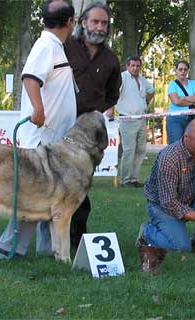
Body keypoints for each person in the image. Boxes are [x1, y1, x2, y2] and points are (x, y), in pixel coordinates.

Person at [0, 0, 76, 260]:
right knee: (34, 198)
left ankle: (46, 250)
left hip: (52, 140)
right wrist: (37, 110)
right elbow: (30, 77)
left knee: (48, 196)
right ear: (70, 22)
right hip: (41, 139)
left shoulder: (54, 46)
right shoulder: (46, 46)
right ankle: (7, 249)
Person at [64, 1, 121, 247]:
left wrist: (94, 112)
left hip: (89, 132)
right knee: (55, 182)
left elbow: (113, 94)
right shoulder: (64, 47)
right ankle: (54, 238)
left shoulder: (110, 59)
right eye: (95, 21)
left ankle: (76, 240)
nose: (99, 27)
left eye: (104, 23)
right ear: (82, 22)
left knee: (81, 185)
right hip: (61, 125)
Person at [137, 118, 195, 252]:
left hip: (188, 198)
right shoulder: (170, 158)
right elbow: (169, 203)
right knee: (181, 247)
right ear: (186, 137)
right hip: (162, 207)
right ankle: (147, 232)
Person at [116, 55, 155, 188]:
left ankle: (134, 178)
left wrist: (146, 102)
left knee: (141, 150)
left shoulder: (143, 80)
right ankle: (125, 180)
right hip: (127, 118)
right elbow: (113, 92)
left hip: (142, 119)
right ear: (127, 66)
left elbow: (152, 91)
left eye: (138, 65)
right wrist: (110, 108)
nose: (135, 68)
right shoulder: (122, 77)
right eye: (132, 65)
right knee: (129, 150)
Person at [166, 61, 195, 144]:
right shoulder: (172, 84)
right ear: (176, 71)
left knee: (190, 145)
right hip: (175, 119)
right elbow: (176, 101)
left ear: (188, 71)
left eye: (185, 69)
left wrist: (183, 98)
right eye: (180, 69)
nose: (183, 71)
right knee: (176, 145)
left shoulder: (193, 83)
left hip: (191, 118)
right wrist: (191, 99)